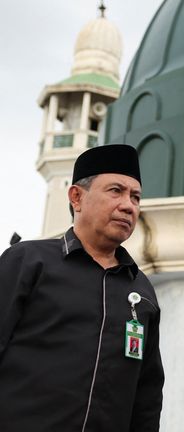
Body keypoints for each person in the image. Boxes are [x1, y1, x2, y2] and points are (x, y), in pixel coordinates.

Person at [0, 145, 164, 431]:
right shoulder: (28, 262)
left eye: (135, 197)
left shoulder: (141, 292)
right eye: (116, 191)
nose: (128, 205)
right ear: (77, 197)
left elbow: (146, 396)